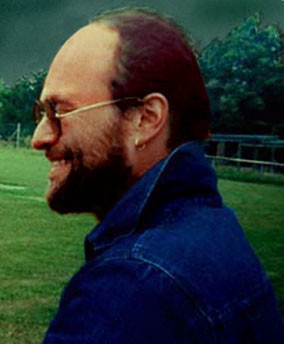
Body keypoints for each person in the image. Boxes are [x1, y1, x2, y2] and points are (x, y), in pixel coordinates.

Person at [31, 7, 284, 343]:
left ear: (146, 119)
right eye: (41, 112)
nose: (39, 137)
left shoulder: (132, 288)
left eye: (59, 111)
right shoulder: (214, 232)